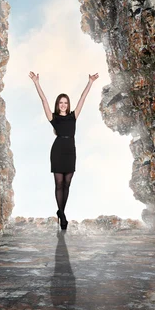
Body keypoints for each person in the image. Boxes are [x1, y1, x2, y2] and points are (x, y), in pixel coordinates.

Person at [29, 71, 99, 230]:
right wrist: (36, 83)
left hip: (70, 151)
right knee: (59, 183)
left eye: (65, 102)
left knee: (67, 184)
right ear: (57, 104)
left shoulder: (73, 116)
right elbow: (44, 100)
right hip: (58, 151)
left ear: (68, 104)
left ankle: (61, 212)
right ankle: (62, 214)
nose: (63, 105)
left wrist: (90, 82)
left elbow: (83, 98)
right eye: (60, 102)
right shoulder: (53, 118)